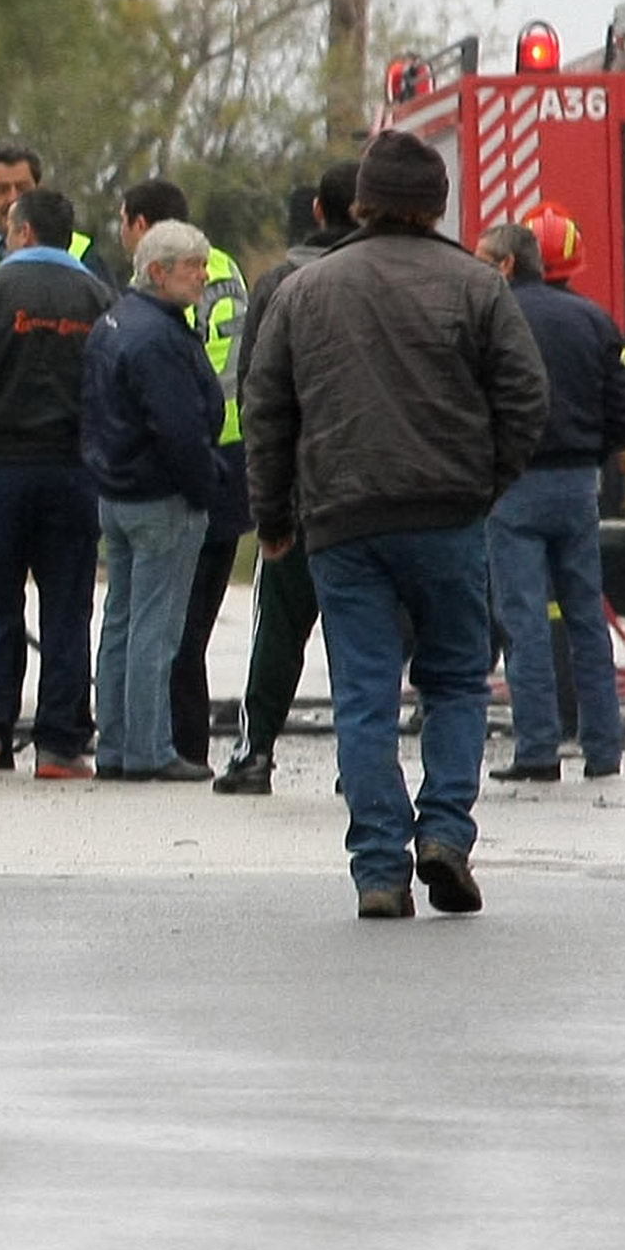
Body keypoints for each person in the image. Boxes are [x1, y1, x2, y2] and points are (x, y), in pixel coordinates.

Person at [244, 130, 546, 919]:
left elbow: (266, 410)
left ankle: (378, 868)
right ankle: (443, 832)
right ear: (438, 204)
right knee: (452, 681)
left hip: (340, 523)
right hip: (446, 516)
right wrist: (485, 483)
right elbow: (524, 397)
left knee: (363, 696)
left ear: (359, 201)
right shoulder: (477, 285)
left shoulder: (303, 290)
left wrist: (273, 516)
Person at [0, 184, 115, 778]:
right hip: (71, 470)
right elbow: (111, 383)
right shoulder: (96, 296)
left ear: (26, 232)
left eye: (10, 229)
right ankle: (60, 743)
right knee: (67, 604)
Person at [472, 220, 625, 784]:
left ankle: (539, 750)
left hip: (514, 488)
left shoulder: (489, 320)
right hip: (579, 487)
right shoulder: (592, 318)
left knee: (523, 622)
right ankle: (603, 749)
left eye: (481, 258)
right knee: (585, 620)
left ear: (505, 265)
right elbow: (624, 402)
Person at [215, 163, 357, 793]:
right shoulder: (404, 278)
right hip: (382, 490)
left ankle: (256, 754)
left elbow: (257, 398)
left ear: (320, 212)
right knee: (364, 636)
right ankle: (362, 761)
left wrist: (266, 503)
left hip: (303, 489)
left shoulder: (279, 284)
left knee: (278, 629)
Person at [82, 220, 237, 781]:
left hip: (117, 491)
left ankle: (116, 745)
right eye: (192, 266)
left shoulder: (115, 322)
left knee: (121, 620)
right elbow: (178, 427)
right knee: (157, 627)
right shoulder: (161, 338)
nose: (202, 276)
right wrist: (206, 484)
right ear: (157, 272)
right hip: (161, 495)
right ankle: (149, 748)